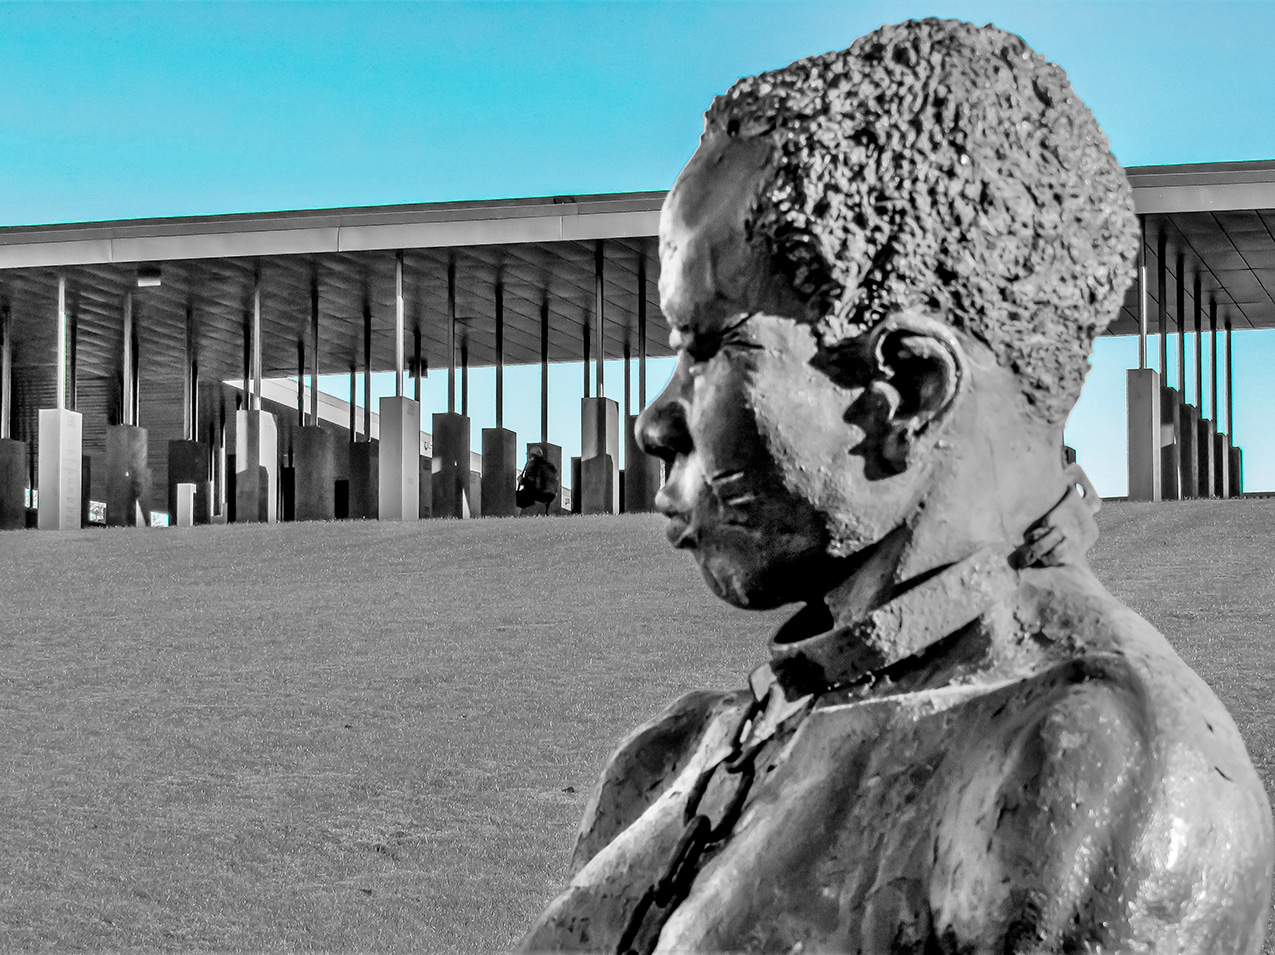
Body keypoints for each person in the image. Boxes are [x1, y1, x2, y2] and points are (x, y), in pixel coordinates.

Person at [518, 18, 1273, 955]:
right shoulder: (673, 758)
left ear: (904, 392)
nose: (655, 420)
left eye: (709, 345)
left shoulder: (1082, 771)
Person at [517, 447, 560, 515]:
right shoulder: (549, 465)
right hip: (551, 495)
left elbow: (531, 482)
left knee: (514, 497)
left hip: (538, 494)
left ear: (531, 455)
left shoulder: (532, 464)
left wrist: (521, 480)